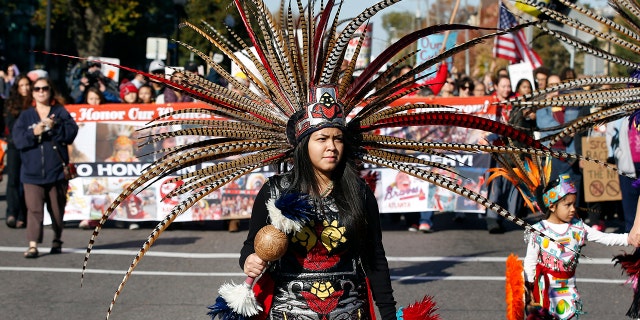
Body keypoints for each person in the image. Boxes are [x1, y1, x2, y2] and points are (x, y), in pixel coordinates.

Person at [239, 87, 396, 319]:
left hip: (350, 310)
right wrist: (249, 260)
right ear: (304, 145)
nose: (331, 147)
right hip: (287, 311)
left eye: (338, 139)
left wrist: (389, 313)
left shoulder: (360, 192)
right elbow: (250, 246)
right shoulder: (274, 191)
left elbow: (374, 257)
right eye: (322, 139)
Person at [523, 174, 631, 319]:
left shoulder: (578, 227)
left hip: (569, 291)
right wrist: (529, 291)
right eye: (567, 205)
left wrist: (629, 238)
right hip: (543, 292)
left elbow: (604, 238)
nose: (573, 209)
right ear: (552, 206)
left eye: (574, 204)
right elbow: (530, 262)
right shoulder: (538, 230)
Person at [12, 77, 79, 258]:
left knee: (57, 210)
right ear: (32, 93)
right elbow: (17, 139)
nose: (41, 92)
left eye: (45, 88)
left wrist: (55, 127)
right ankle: (33, 245)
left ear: (50, 91)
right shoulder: (26, 115)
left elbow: (72, 133)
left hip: (56, 171)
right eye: (37, 89)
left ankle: (57, 238)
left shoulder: (59, 112)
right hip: (31, 173)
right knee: (34, 210)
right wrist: (33, 132)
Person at [3, 75, 31, 228]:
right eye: (22, 85)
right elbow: (9, 124)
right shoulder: (11, 103)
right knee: (13, 180)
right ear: (17, 87)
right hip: (15, 145)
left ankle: (23, 214)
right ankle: (11, 213)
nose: (25, 88)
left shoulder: (34, 103)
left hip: (31, 146)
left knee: (26, 181)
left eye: (27, 85)